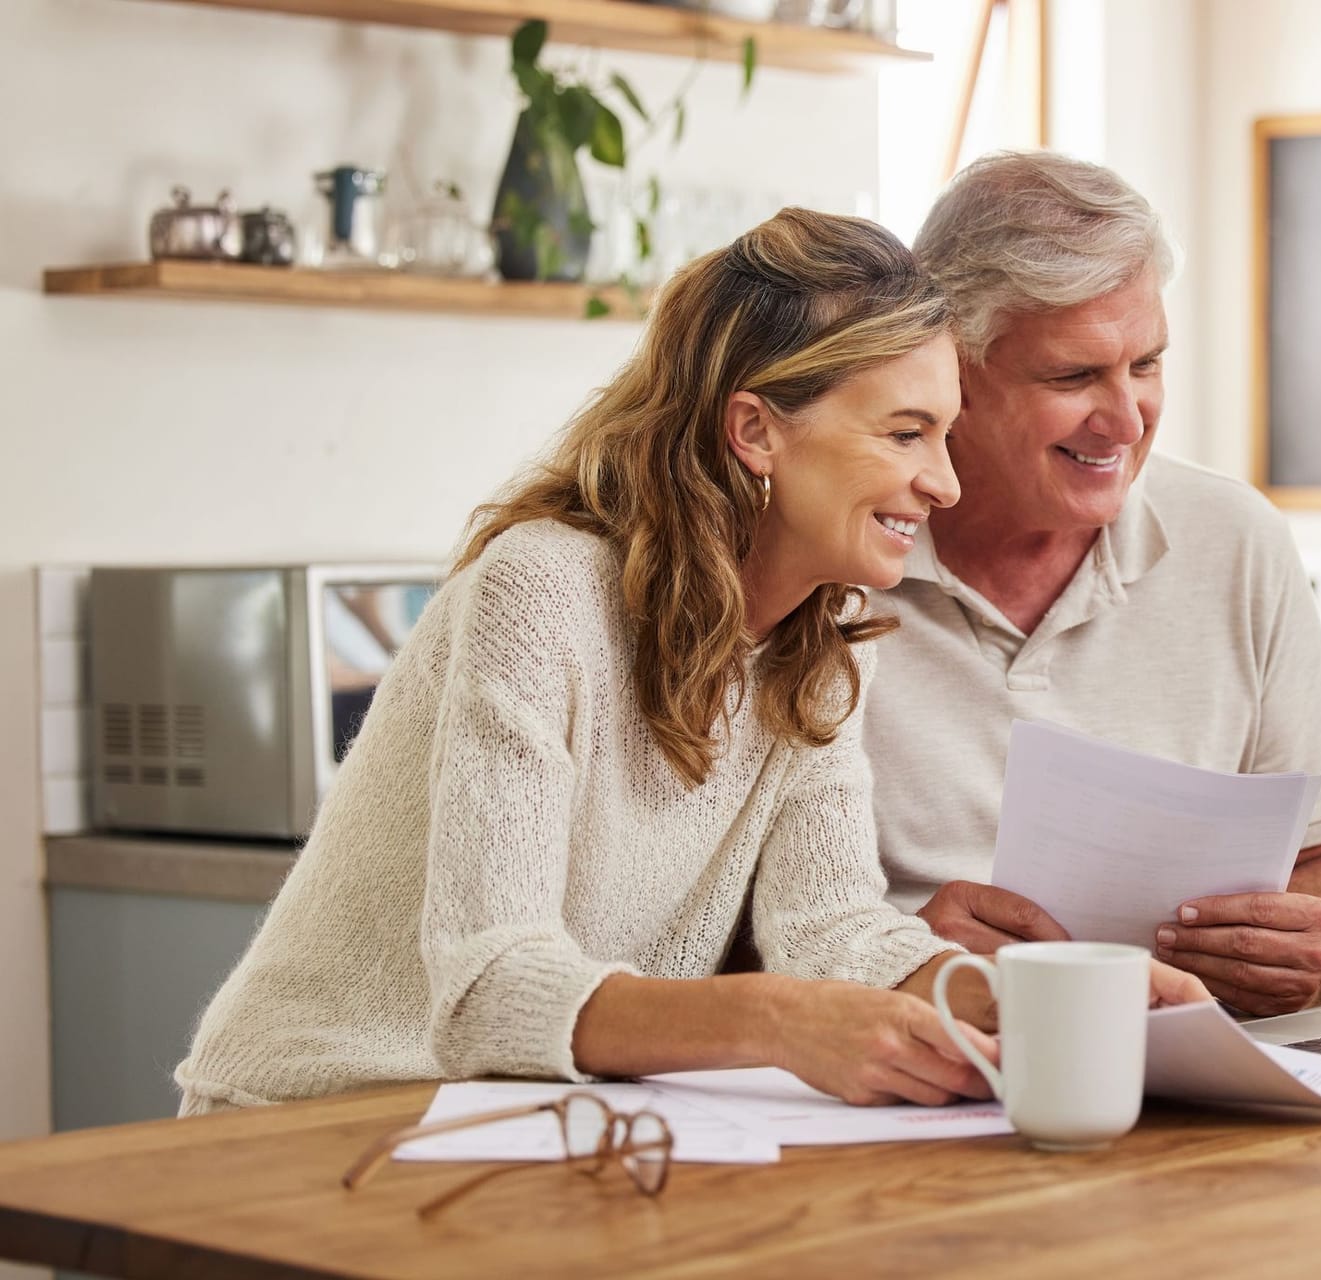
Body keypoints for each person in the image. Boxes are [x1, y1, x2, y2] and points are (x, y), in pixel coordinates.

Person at [176, 208, 1174, 1118]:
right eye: (905, 432)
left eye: (945, 433)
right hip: (310, 1116)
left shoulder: (822, 637)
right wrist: (780, 1020)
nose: (946, 482)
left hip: (519, 1128)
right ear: (755, 430)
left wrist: (1050, 1001)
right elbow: (486, 989)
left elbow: (834, 928)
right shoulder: (542, 593)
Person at [865, 153, 1321, 1016]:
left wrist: (1313, 944)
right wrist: (893, 955)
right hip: (921, 1075)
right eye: (1074, 377)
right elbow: (710, 927)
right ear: (952, 368)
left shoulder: (1234, 539)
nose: (1127, 417)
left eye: (1146, 364)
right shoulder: (837, 556)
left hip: (1189, 1076)